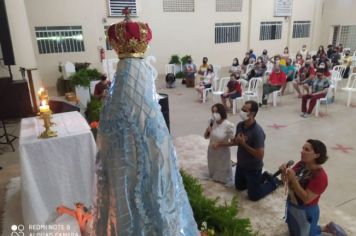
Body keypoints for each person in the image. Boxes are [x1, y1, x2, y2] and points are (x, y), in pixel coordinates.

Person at [94, 12, 199, 235]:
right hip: (137, 165)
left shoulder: (115, 98)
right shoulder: (143, 99)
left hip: (123, 174)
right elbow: (159, 145)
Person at [231, 101, 280, 201]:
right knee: (239, 187)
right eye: (242, 109)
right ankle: (262, 177)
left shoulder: (257, 132)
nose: (242, 112)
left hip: (252, 169)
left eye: (245, 110)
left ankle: (273, 182)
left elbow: (260, 155)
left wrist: (244, 144)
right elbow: (237, 141)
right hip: (240, 165)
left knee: (253, 196)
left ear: (252, 114)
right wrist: (236, 140)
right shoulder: (240, 125)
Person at [280, 139, 328, 236]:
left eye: (307, 150)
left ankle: (327, 230)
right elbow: (285, 180)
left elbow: (306, 199)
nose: (302, 151)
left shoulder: (321, 177)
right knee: (294, 232)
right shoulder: (301, 164)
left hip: (305, 211)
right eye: (303, 148)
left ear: (317, 155)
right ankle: (324, 228)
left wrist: (293, 179)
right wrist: (283, 172)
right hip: (292, 205)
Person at [204, 103, 235, 186]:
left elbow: (233, 142)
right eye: (213, 112)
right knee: (213, 169)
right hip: (212, 151)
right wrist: (207, 131)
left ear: (222, 113)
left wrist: (219, 144)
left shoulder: (228, 125)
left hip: (223, 153)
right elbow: (206, 137)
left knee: (222, 175)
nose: (214, 114)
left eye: (216, 112)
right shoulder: (211, 121)